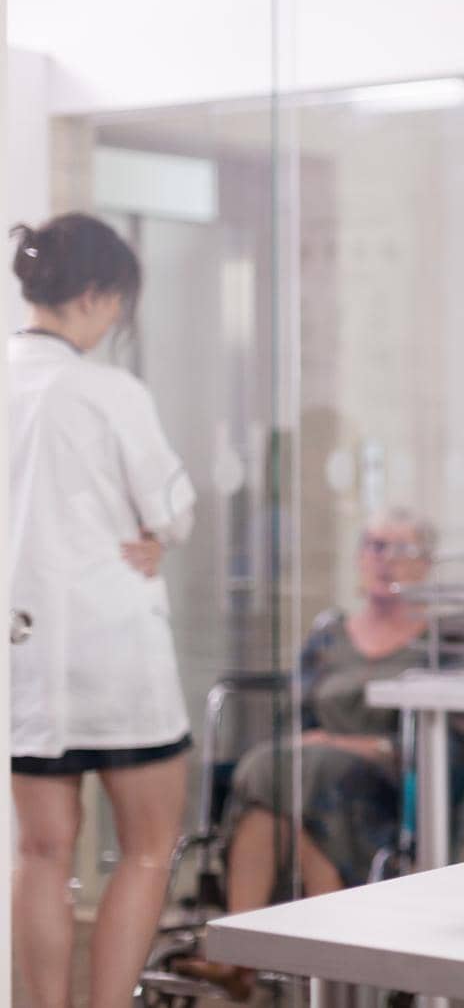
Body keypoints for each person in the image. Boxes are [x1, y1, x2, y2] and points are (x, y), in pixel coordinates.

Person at [9, 214, 197, 1008]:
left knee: (42, 854)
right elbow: (175, 508)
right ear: (92, 294)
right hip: (115, 651)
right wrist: (154, 531)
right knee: (149, 849)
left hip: (24, 653)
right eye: (117, 301)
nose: (117, 317)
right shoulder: (108, 390)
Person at [175, 508, 458, 1000]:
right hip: (311, 780)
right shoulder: (330, 635)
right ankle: (246, 953)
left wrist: (343, 745)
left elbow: (452, 742)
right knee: (278, 779)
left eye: (399, 548)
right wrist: (316, 748)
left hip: (390, 783)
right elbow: (298, 719)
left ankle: (315, 963)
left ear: (426, 564)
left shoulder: (441, 644)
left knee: (300, 776)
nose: (383, 559)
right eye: (373, 545)